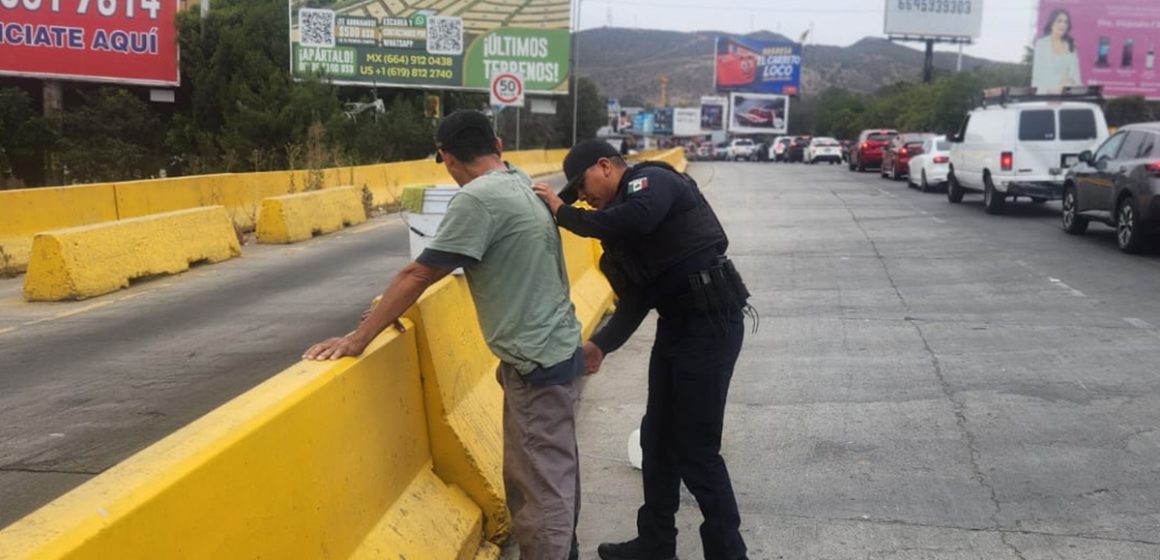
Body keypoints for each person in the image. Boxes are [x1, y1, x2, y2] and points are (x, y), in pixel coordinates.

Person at [304, 110, 585, 560]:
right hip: (557, 350)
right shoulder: (519, 181)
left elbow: (420, 273)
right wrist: (389, 309)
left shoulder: (479, 199)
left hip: (536, 361)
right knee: (548, 473)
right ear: (497, 145)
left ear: (447, 157)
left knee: (542, 491)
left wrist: (358, 338)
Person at [533, 140, 754, 560]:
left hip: (712, 324)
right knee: (657, 439)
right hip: (677, 327)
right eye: (575, 194)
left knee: (696, 448)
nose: (582, 197)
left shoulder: (650, 182)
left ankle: (728, 552)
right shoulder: (621, 230)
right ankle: (656, 541)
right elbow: (636, 299)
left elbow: (638, 217)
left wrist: (564, 214)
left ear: (605, 166)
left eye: (582, 185)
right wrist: (601, 345)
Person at [1032, 8, 1082, 91]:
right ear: (1051, 23)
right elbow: (1037, 78)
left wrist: (1070, 83)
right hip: (1045, 94)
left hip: (1067, 94)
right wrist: (1058, 82)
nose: (1063, 25)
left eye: (1066, 22)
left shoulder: (1071, 47)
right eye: (1059, 21)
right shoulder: (1041, 44)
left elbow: (1077, 79)